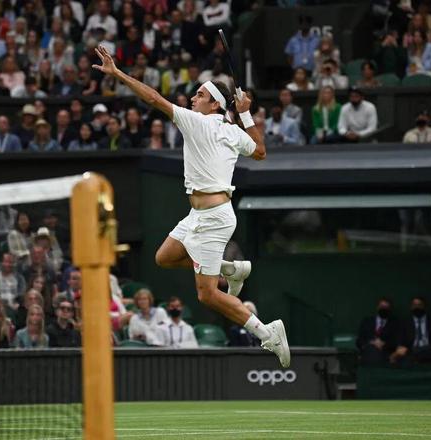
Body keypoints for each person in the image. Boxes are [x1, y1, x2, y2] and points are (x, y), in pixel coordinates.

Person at [94, 44, 290, 367]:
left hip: (213, 218)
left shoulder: (198, 122)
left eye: (200, 95)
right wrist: (244, 113)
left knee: (208, 294)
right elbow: (260, 151)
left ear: (214, 105)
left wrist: (117, 74)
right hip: (199, 214)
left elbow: (154, 98)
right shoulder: (232, 130)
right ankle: (230, 268)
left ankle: (267, 332)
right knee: (164, 257)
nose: (192, 98)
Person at [390, 296, 431, 365]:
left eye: (419, 305)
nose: (417, 307)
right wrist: (400, 347)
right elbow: (401, 340)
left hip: (427, 351)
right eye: (414, 305)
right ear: (411, 307)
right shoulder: (405, 322)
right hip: (411, 352)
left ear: (424, 307)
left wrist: (409, 351)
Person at [356, 298, 399, 365]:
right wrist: (371, 342)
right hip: (368, 352)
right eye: (382, 306)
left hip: (384, 354)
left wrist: (383, 344)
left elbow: (396, 342)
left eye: (386, 307)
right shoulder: (367, 321)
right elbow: (359, 341)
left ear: (390, 309)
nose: (384, 309)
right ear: (377, 307)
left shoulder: (395, 324)